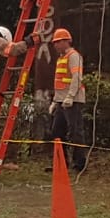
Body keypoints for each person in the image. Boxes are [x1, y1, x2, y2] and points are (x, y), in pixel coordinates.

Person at [48, 27, 88, 172]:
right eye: (55, 43)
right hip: (61, 101)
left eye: (58, 42)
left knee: (75, 132)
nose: (56, 45)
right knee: (57, 132)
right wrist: (55, 101)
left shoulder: (73, 56)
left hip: (73, 101)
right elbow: (59, 82)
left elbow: (77, 78)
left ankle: (80, 165)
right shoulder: (61, 58)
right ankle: (61, 163)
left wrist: (70, 96)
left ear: (66, 41)